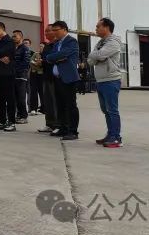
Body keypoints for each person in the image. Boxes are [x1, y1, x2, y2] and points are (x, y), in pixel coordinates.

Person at [87, 18, 124, 148]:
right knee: (106, 110)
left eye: (98, 26)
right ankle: (110, 134)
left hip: (111, 80)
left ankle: (116, 138)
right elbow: (91, 60)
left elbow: (99, 55)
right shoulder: (100, 43)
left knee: (112, 110)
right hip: (101, 80)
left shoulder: (113, 42)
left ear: (107, 27)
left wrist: (96, 56)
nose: (96, 29)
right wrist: (96, 56)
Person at [44, 21, 81, 140]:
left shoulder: (71, 41)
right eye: (53, 30)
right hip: (57, 78)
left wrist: (57, 57)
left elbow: (63, 54)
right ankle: (63, 128)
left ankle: (73, 131)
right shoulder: (56, 43)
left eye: (56, 30)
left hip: (69, 78)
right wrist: (58, 58)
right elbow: (49, 57)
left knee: (70, 105)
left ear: (64, 29)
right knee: (60, 104)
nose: (54, 32)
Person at [36, 26, 60, 134]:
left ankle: (57, 124)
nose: (46, 33)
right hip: (45, 76)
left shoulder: (58, 44)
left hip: (55, 77)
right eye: (45, 31)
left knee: (55, 101)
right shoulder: (47, 45)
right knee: (48, 102)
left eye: (48, 31)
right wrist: (39, 63)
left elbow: (55, 59)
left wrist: (44, 61)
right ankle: (49, 124)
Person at [11, 30, 32, 124]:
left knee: (21, 97)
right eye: (13, 36)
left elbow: (26, 63)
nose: (13, 38)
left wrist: (16, 69)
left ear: (21, 37)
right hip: (13, 76)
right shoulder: (14, 48)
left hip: (21, 76)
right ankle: (19, 115)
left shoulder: (25, 48)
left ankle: (24, 116)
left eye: (15, 36)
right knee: (15, 98)